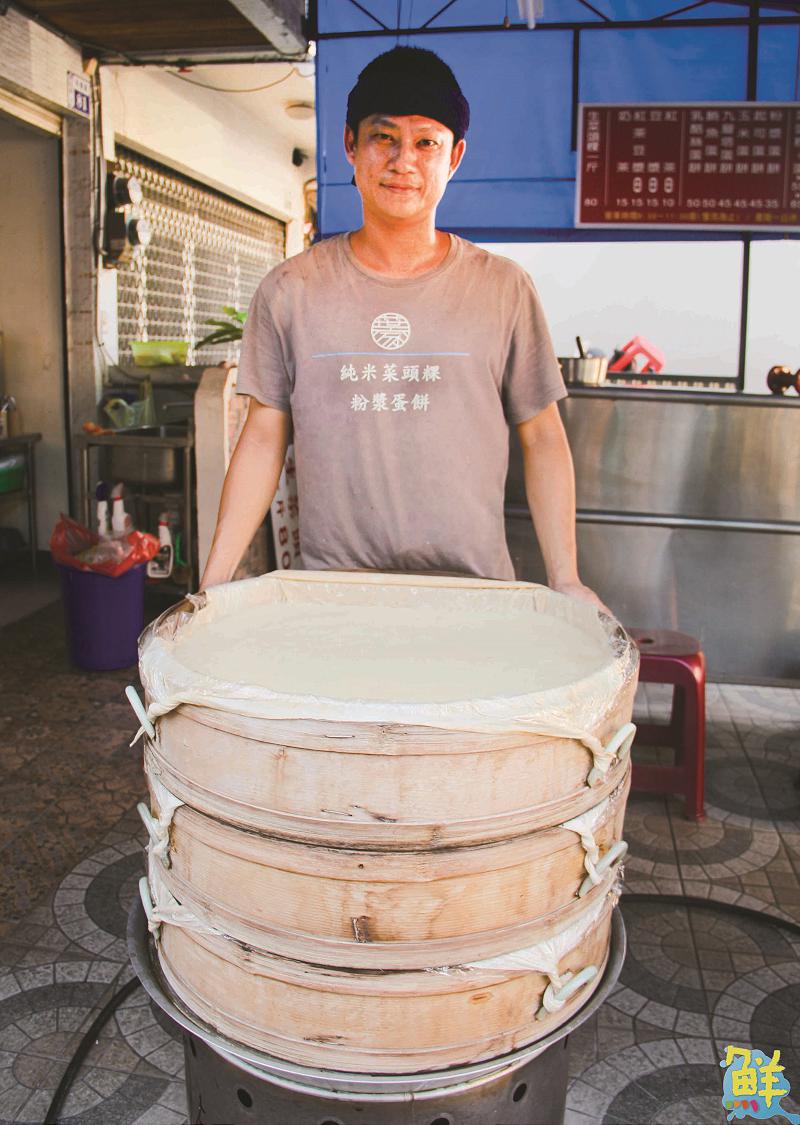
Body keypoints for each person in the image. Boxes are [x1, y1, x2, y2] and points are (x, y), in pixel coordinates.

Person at [200, 45, 603, 610]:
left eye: (425, 143)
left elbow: (543, 438)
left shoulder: (504, 288)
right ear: (350, 145)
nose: (402, 161)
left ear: (455, 156)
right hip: (334, 597)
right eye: (383, 137)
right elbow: (264, 437)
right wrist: (214, 581)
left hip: (474, 597)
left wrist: (566, 577)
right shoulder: (290, 290)